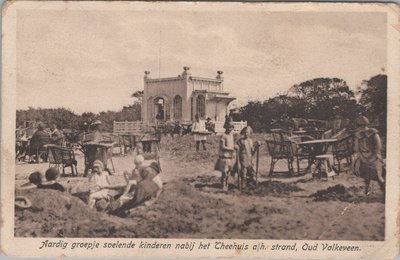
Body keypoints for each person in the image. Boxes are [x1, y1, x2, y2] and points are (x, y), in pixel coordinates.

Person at [353, 116, 385, 195]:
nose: (359, 128)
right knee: (365, 175)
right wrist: (362, 157)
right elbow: (357, 149)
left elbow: (378, 147)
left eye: (360, 126)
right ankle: (366, 190)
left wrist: (373, 157)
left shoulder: (373, 133)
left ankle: (385, 191)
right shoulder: (358, 135)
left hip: (374, 156)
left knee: (378, 176)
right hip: (364, 157)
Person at [215, 122, 235, 191]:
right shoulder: (223, 136)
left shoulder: (231, 135)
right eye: (228, 127)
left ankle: (227, 183)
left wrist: (234, 148)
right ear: (225, 127)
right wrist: (231, 148)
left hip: (230, 156)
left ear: (232, 128)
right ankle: (223, 184)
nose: (229, 129)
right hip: (224, 156)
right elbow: (222, 147)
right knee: (224, 172)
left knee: (229, 172)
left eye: (231, 127)